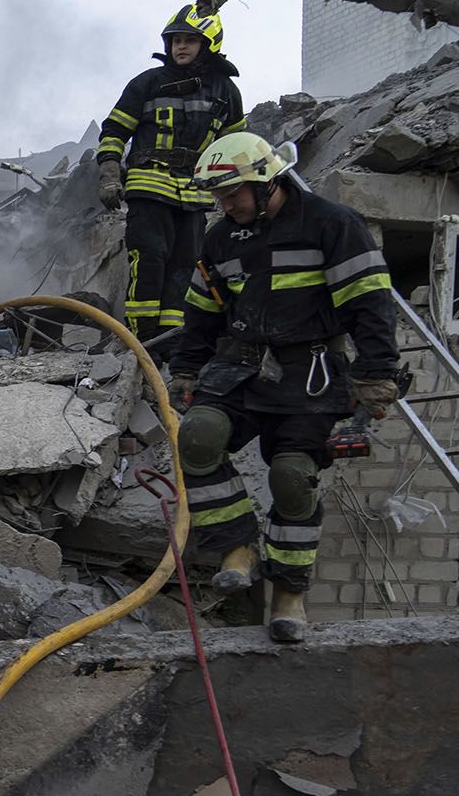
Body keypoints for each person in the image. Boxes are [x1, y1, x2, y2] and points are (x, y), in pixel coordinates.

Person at [170, 132, 399, 642]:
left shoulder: (331, 224)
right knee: (199, 436)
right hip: (239, 367)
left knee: (293, 477)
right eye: (219, 198)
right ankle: (237, 546)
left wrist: (377, 371)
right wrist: (186, 369)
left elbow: (369, 301)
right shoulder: (221, 237)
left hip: (310, 375)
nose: (226, 206)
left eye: (234, 194)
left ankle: (289, 594)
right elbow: (202, 312)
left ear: (266, 179)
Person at [97, 4, 246, 358]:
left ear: (208, 43)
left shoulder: (225, 91)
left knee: (185, 270)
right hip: (149, 188)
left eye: (189, 40)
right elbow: (115, 131)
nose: (181, 47)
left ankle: (171, 344)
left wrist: (239, 192)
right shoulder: (147, 83)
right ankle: (141, 343)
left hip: (194, 196)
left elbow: (235, 146)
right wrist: (108, 175)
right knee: (149, 260)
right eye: (176, 40)